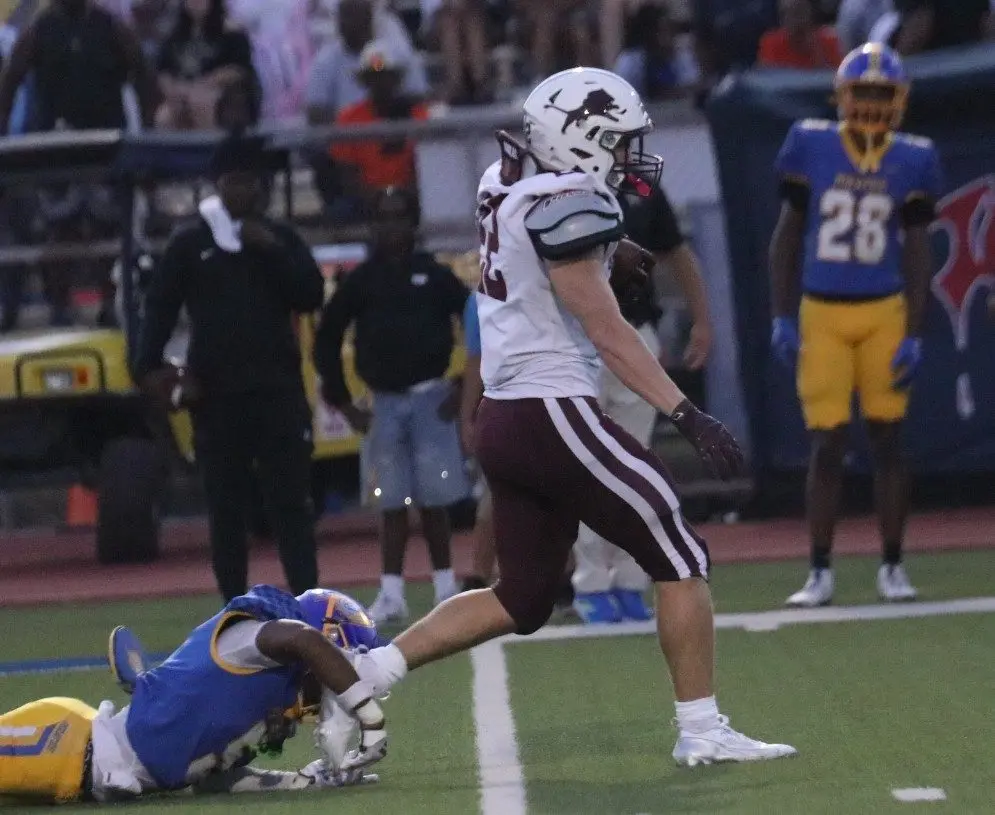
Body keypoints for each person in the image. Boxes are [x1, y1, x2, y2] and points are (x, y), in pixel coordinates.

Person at [344, 66, 797, 766]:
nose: (630, 157)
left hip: (506, 416)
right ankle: (702, 729)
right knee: (679, 554)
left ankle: (368, 672)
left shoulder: (502, 177)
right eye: (617, 141)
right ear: (578, 138)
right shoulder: (567, 199)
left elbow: (536, 239)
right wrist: (685, 412)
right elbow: (609, 331)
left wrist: (611, 247)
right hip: (549, 407)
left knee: (522, 596)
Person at [769, 43, 942, 607]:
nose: (870, 101)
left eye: (880, 92)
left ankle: (892, 564)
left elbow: (917, 250)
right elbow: (787, 236)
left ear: (899, 99)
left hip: (882, 310)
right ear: (841, 96)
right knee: (827, 443)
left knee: (889, 438)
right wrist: (781, 314)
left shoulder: (913, 157)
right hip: (821, 311)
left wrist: (913, 330)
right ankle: (819, 570)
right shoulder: (812, 144)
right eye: (862, 91)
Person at [133, 133, 325, 603]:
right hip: (216, 396)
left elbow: (310, 295)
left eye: (249, 181)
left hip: (277, 391)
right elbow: (159, 306)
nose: (242, 190)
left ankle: (308, 602)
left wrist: (272, 250)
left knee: (291, 506)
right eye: (233, 181)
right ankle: (233, 608)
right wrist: (147, 365)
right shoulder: (191, 242)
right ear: (218, 185)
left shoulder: (279, 237)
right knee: (226, 510)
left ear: (261, 186)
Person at [0, 586, 386, 803]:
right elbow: (305, 640)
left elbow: (213, 781)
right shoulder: (253, 638)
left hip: (87, 765)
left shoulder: (267, 690)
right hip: (63, 743)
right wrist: (370, 717)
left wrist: (304, 781)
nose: (338, 687)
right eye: (342, 664)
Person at [314, 188, 471, 625]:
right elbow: (327, 337)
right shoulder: (362, 280)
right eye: (383, 218)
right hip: (382, 403)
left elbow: (480, 323)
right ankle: (392, 593)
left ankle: (445, 586)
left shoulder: (435, 275)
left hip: (432, 398)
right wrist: (343, 402)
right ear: (373, 225)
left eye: (399, 217)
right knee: (390, 500)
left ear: (413, 224)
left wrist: (463, 387)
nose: (391, 227)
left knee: (437, 499)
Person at [571, 176, 714, 625]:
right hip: (579, 337)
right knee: (587, 464)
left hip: (634, 332)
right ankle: (591, 583)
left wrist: (702, 319)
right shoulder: (562, 183)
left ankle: (630, 580)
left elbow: (676, 251)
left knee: (634, 465)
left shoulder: (643, 185)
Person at [155, 0, 257, 130]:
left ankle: (210, 142)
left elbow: (239, 69)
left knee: (200, 103)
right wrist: (173, 91)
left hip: (220, 93)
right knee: (164, 116)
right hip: (181, 92)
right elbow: (163, 70)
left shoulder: (231, 33)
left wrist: (205, 84)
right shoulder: (175, 35)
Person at [757, 0, 843, 70]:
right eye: (785, 13)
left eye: (798, 12)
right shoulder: (770, 42)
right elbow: (768, 78)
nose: (793, 18)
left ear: (810, 12)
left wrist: (817, 50)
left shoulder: (829, 41)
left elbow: (836, 76)